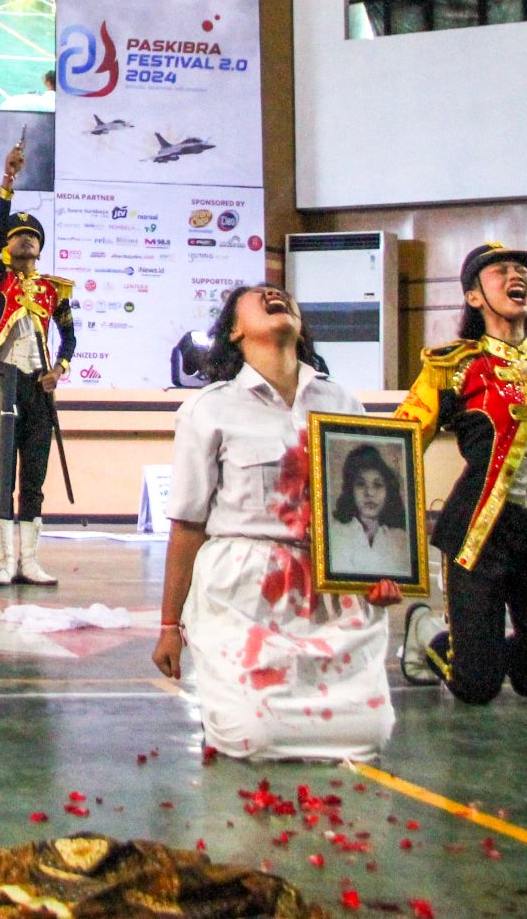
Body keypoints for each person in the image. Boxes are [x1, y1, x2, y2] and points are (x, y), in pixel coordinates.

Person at [152, 284, 398, 762]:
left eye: (281, 293)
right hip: (242, 594)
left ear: (301, 328)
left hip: (329, 592)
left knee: (371, 732)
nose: (273, 293)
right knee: (252, 737)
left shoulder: (342, 402)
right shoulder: (209, 408)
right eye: (258, 296)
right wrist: (168, 625)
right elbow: (188, 525)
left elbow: (376, 508)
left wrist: (379, 575)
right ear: (235, 331)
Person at [397, 243, 527, 705]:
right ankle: (428, 633)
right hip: (480, 536)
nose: (515, 276)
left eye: (521, 269)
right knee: (475, 687)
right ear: (474, 296)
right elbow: (400, 439)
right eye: (500, 271)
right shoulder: (454, 367)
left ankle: (492, 649)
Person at [0, 143, 75, 587]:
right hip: (2, 381)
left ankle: (30, 561)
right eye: (18, 235)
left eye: (33, 236)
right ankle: (4, 561)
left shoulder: (54, 290)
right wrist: (7, 183)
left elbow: (70, 337)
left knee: (32, 476)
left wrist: (60, 369)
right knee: (1, 474)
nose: (25, 239)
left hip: (38, 387)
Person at [326, 445, 410, 576]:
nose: (369, 493)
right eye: (361, 484)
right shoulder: (333, 533)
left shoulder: (401, 540)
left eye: (377, 485)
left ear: (388, 491)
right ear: (350, 490)